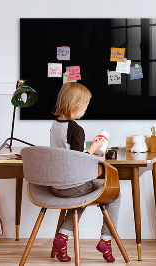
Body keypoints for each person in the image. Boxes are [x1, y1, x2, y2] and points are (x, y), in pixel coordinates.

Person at [50, 82, 121, 263]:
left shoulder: (55, 125)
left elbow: (67, 154)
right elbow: (78, 161)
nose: (85, 109)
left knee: (80, 198)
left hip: (56, 186)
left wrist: (91, 150)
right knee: (115, 194)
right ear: (76, 105)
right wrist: (95, 148)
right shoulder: (76, 129)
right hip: (73, 186)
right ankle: (106, 240)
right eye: (85, 106)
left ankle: (63, 238)